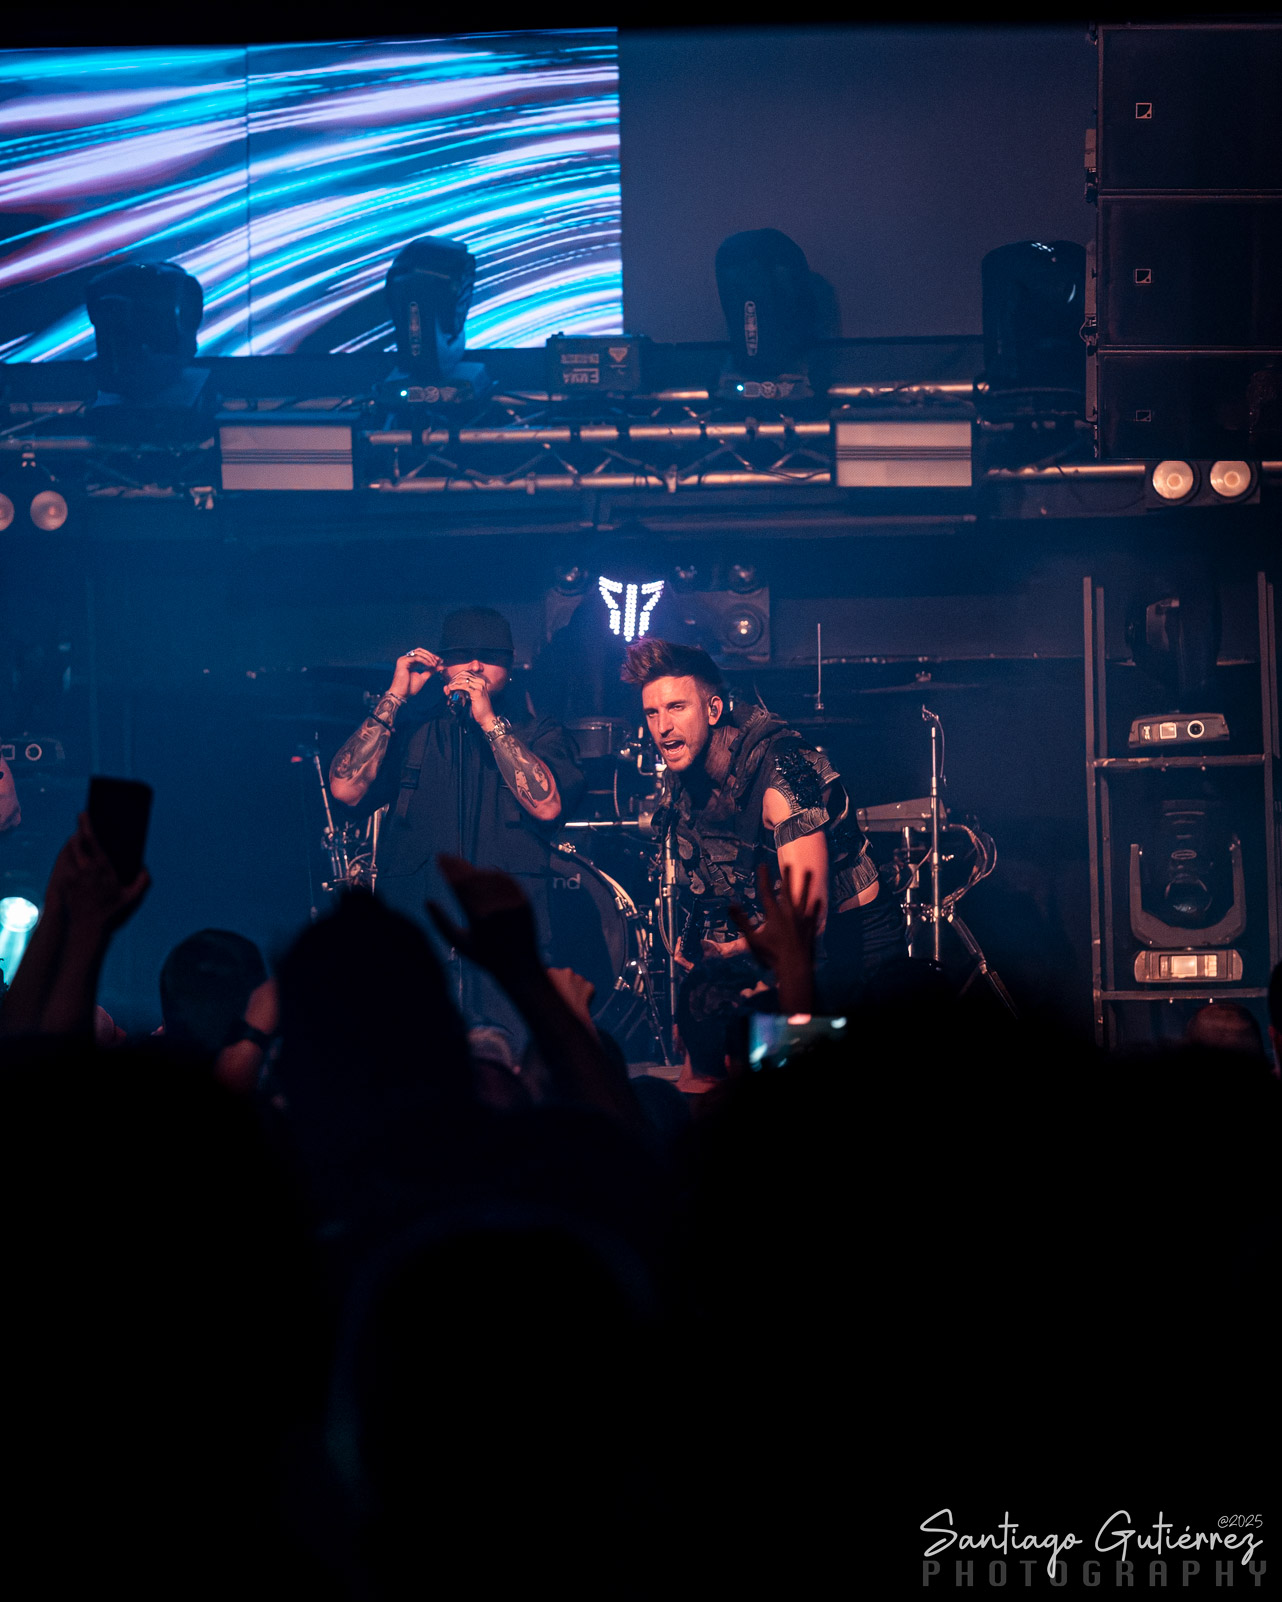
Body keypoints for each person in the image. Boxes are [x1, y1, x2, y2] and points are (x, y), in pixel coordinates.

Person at [620, 638, 904, 1065]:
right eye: (652, 712)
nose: (662, 727)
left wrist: (733, 952)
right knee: (726, 1054)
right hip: (785, 957)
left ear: (713, 709)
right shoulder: (685, 780)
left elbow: (809, 921)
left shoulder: (783, 773)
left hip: (856, 954)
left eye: (676, 707)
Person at [328, 607, 583, 1032]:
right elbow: (344, 787)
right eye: (463, 655)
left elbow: (547, 805)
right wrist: (395, 696)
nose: (476, 666)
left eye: (490, 656)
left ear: (511, 667)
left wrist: (489, 722)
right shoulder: (412, 730)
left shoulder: (540, 733)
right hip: (417, 941)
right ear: (442, 665)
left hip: (507, 947)